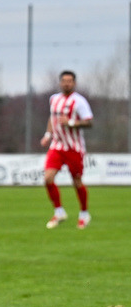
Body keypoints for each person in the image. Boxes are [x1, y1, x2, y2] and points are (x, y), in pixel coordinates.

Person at [40, 70, 93, 229]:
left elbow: (89, 122)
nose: (66, 83)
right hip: (57, 145)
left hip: (74, 148)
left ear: (74, 83)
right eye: (64, 81)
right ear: (60, 83)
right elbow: (52, 117)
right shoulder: (54, 99)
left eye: (69, 81)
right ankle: (59, 211)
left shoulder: (79, 101)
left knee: (76, 181)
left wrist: (71, 123)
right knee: (48, 178)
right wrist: (48, 134)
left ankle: (84, 214)